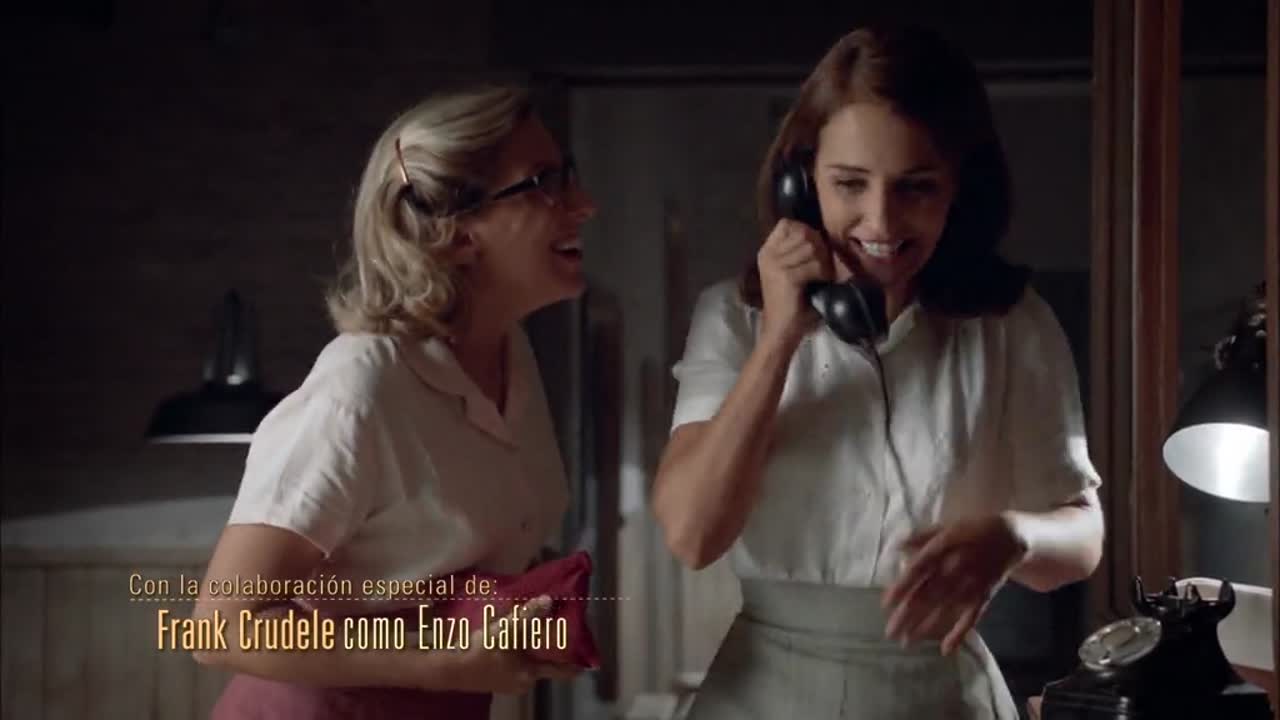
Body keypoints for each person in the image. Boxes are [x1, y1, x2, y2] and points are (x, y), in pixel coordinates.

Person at [652, 24, 1104, 719]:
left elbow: (1083, 536)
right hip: (763, 692)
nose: (881, 221)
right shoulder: (732, 318)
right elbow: (692, 535)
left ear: (959, 187)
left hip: (943, 694)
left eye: (916, 188)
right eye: (850, 184)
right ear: (802, 182)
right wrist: (778, 341)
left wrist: (1015, 537)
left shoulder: (1012, 325)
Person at [191, 84, 597, 718]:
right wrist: (437, 663)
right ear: (455, 232)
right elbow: (221, 626)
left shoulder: (511, 354)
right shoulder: (362, 385)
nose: (583, 205)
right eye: (544, 182)